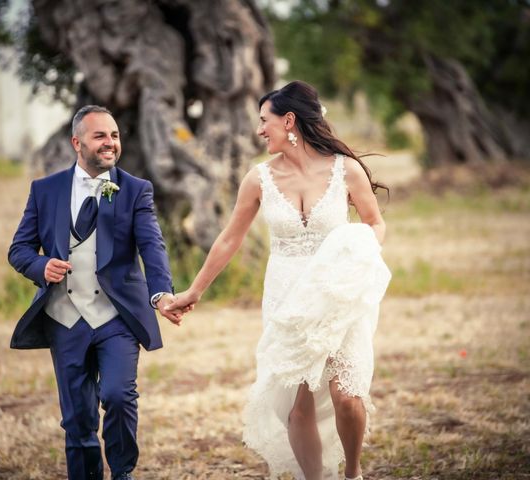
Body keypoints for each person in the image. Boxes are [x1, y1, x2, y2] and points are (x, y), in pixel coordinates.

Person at [166, 81, 391, 480]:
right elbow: (229, 238)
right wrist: (193, 290)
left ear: (289, 120)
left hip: (338, 292)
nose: (258, 130)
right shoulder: (259, 179)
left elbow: (374, 223)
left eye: (263, 121)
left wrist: (358, 255)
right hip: (288, 297)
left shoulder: (345, 170)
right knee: (297, 405)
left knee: (348, 395)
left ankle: (354, 474)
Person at [8, 105, 185, 480]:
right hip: (64, 317)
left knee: (119, 396)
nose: (110, 143)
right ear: (77, 142)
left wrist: (161, 294)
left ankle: (122, 473)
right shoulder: (45, 190)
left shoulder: (136, 190)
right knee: (77, 419)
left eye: (115, 135)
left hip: (115, 316)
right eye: (100, 136)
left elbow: (152, 246)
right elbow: (19, 249)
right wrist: (41, 267)